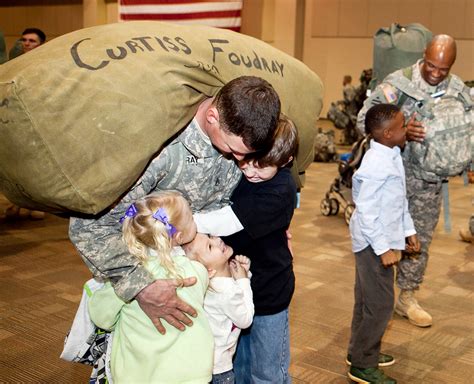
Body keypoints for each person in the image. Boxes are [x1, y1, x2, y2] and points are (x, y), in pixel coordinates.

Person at [69, 75, 280, 333]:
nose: (239, 160)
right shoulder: (159, 146)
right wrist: (142, 287)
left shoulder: (240, 135)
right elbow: (89, 226)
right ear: (212, 116)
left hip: (206, 300)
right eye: (233, 148)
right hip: (147, 299)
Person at [355, 34, 472, 327]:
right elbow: (363, 120)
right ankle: (376, 298)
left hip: (428, 183)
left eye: (443, 69)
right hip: (390, 178)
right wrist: (405, 129)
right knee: (378, 237)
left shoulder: (459, 91)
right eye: (431, 65)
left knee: (419, 240)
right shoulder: (398, 84)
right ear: (424, 54)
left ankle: (407, 297)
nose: (435, 73)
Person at [193, 115, 298, 383]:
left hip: (268, 292)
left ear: (285, 161)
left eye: (261, 167)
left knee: (267, 370)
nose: (250, 172)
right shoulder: (249, 173)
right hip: (238, 289)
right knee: (239, 365)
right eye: (246, 162)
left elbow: (227, 221)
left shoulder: (279, 189)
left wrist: (184, 223)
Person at [88, 191, 214, 383]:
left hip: (137, 374)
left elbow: (101, 317)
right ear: (179, 236)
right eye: (191, 216)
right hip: (190, 373)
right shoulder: (197, 272)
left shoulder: (127, 279)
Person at [347, 104, 420, 384]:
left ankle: (359, 352)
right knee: (380, 305)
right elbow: (365, 210)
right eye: (403, 126)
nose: (407, 129)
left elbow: (397, 199)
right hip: (371, 243)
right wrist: (383, 248)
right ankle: (363, 364)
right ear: (388, 133)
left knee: (367, 301)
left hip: (384, 237)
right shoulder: (376, 163)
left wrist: (408, 230)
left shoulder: (392, 153)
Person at [184, 234, 254, 384]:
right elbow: (245, 320)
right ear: (208, 271)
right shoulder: (225, 291)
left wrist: (242, 274)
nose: (217, 240)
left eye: (211, 237)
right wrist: (243, 281)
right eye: (210, 246)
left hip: (203, 364)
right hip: (220, 368)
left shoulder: (210, 285)